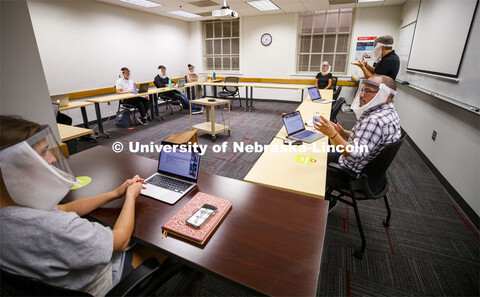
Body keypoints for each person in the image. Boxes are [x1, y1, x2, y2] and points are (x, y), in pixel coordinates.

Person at [0, 116, 168, 296]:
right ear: (10, 166)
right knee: (165, 242)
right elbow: (120, 240)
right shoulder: (53, 227)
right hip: (101, 282)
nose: (51, 158)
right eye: (43, 152)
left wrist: (115, 193)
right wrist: (130, 197)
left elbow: (63, 209)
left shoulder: (12, 213)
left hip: (62, 280)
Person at [313, 75, 401, 191]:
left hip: (350, 174)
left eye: (368, 91)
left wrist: (333, 135)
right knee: (321, 154)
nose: (361, 95)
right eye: (362, 90)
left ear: (386, 96)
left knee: (311, 162)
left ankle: (315, 203)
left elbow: (354, 155)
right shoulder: (388, 111)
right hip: (369, 171)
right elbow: (368, 139)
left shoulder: (374, 120)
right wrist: (343, 133)